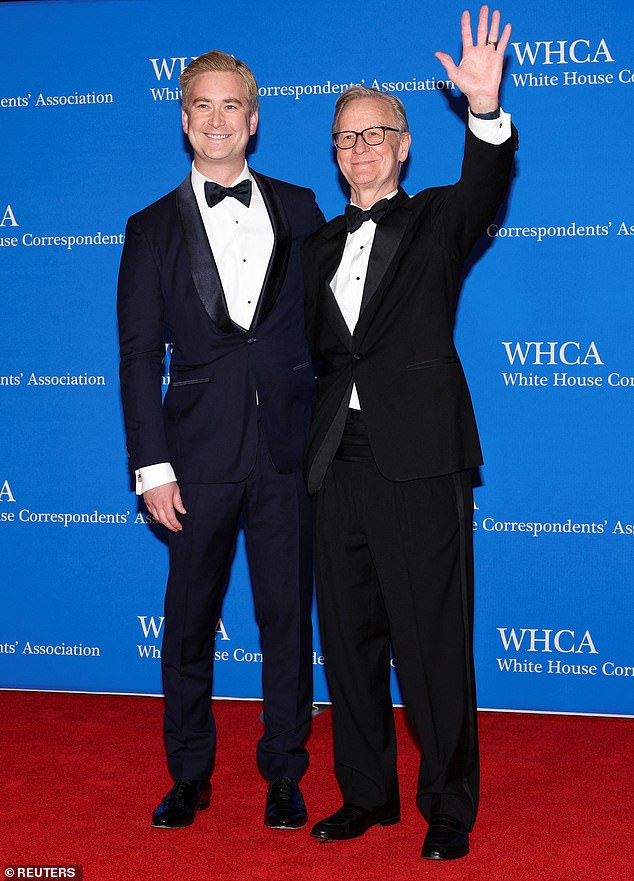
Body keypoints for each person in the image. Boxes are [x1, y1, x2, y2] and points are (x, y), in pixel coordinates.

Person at [302, 6, 517, 860]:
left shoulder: (435, 220)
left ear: (404, 145)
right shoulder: (314, 246)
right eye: (346, 137)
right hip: (336, 465)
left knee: (432, 639)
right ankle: (366, 794)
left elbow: (485, 186)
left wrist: (486, 111)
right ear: (335, 151)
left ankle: (449, 806)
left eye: (376, 133)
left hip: (421, 461)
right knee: (349, 640)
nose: (360, 148)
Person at [117, 50, 324, 831]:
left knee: (285, 619)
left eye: (230, 105)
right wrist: (150, 464)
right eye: (200, 106)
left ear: (254, 117)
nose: (215, 119)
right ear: (183, 118)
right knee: (189, 622)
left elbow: (330, 331)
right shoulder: (149, 228)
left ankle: (284, 773)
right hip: (193, 458)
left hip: (288, 450)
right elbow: (139, 355)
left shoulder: (304, 208)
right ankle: (189, 774)